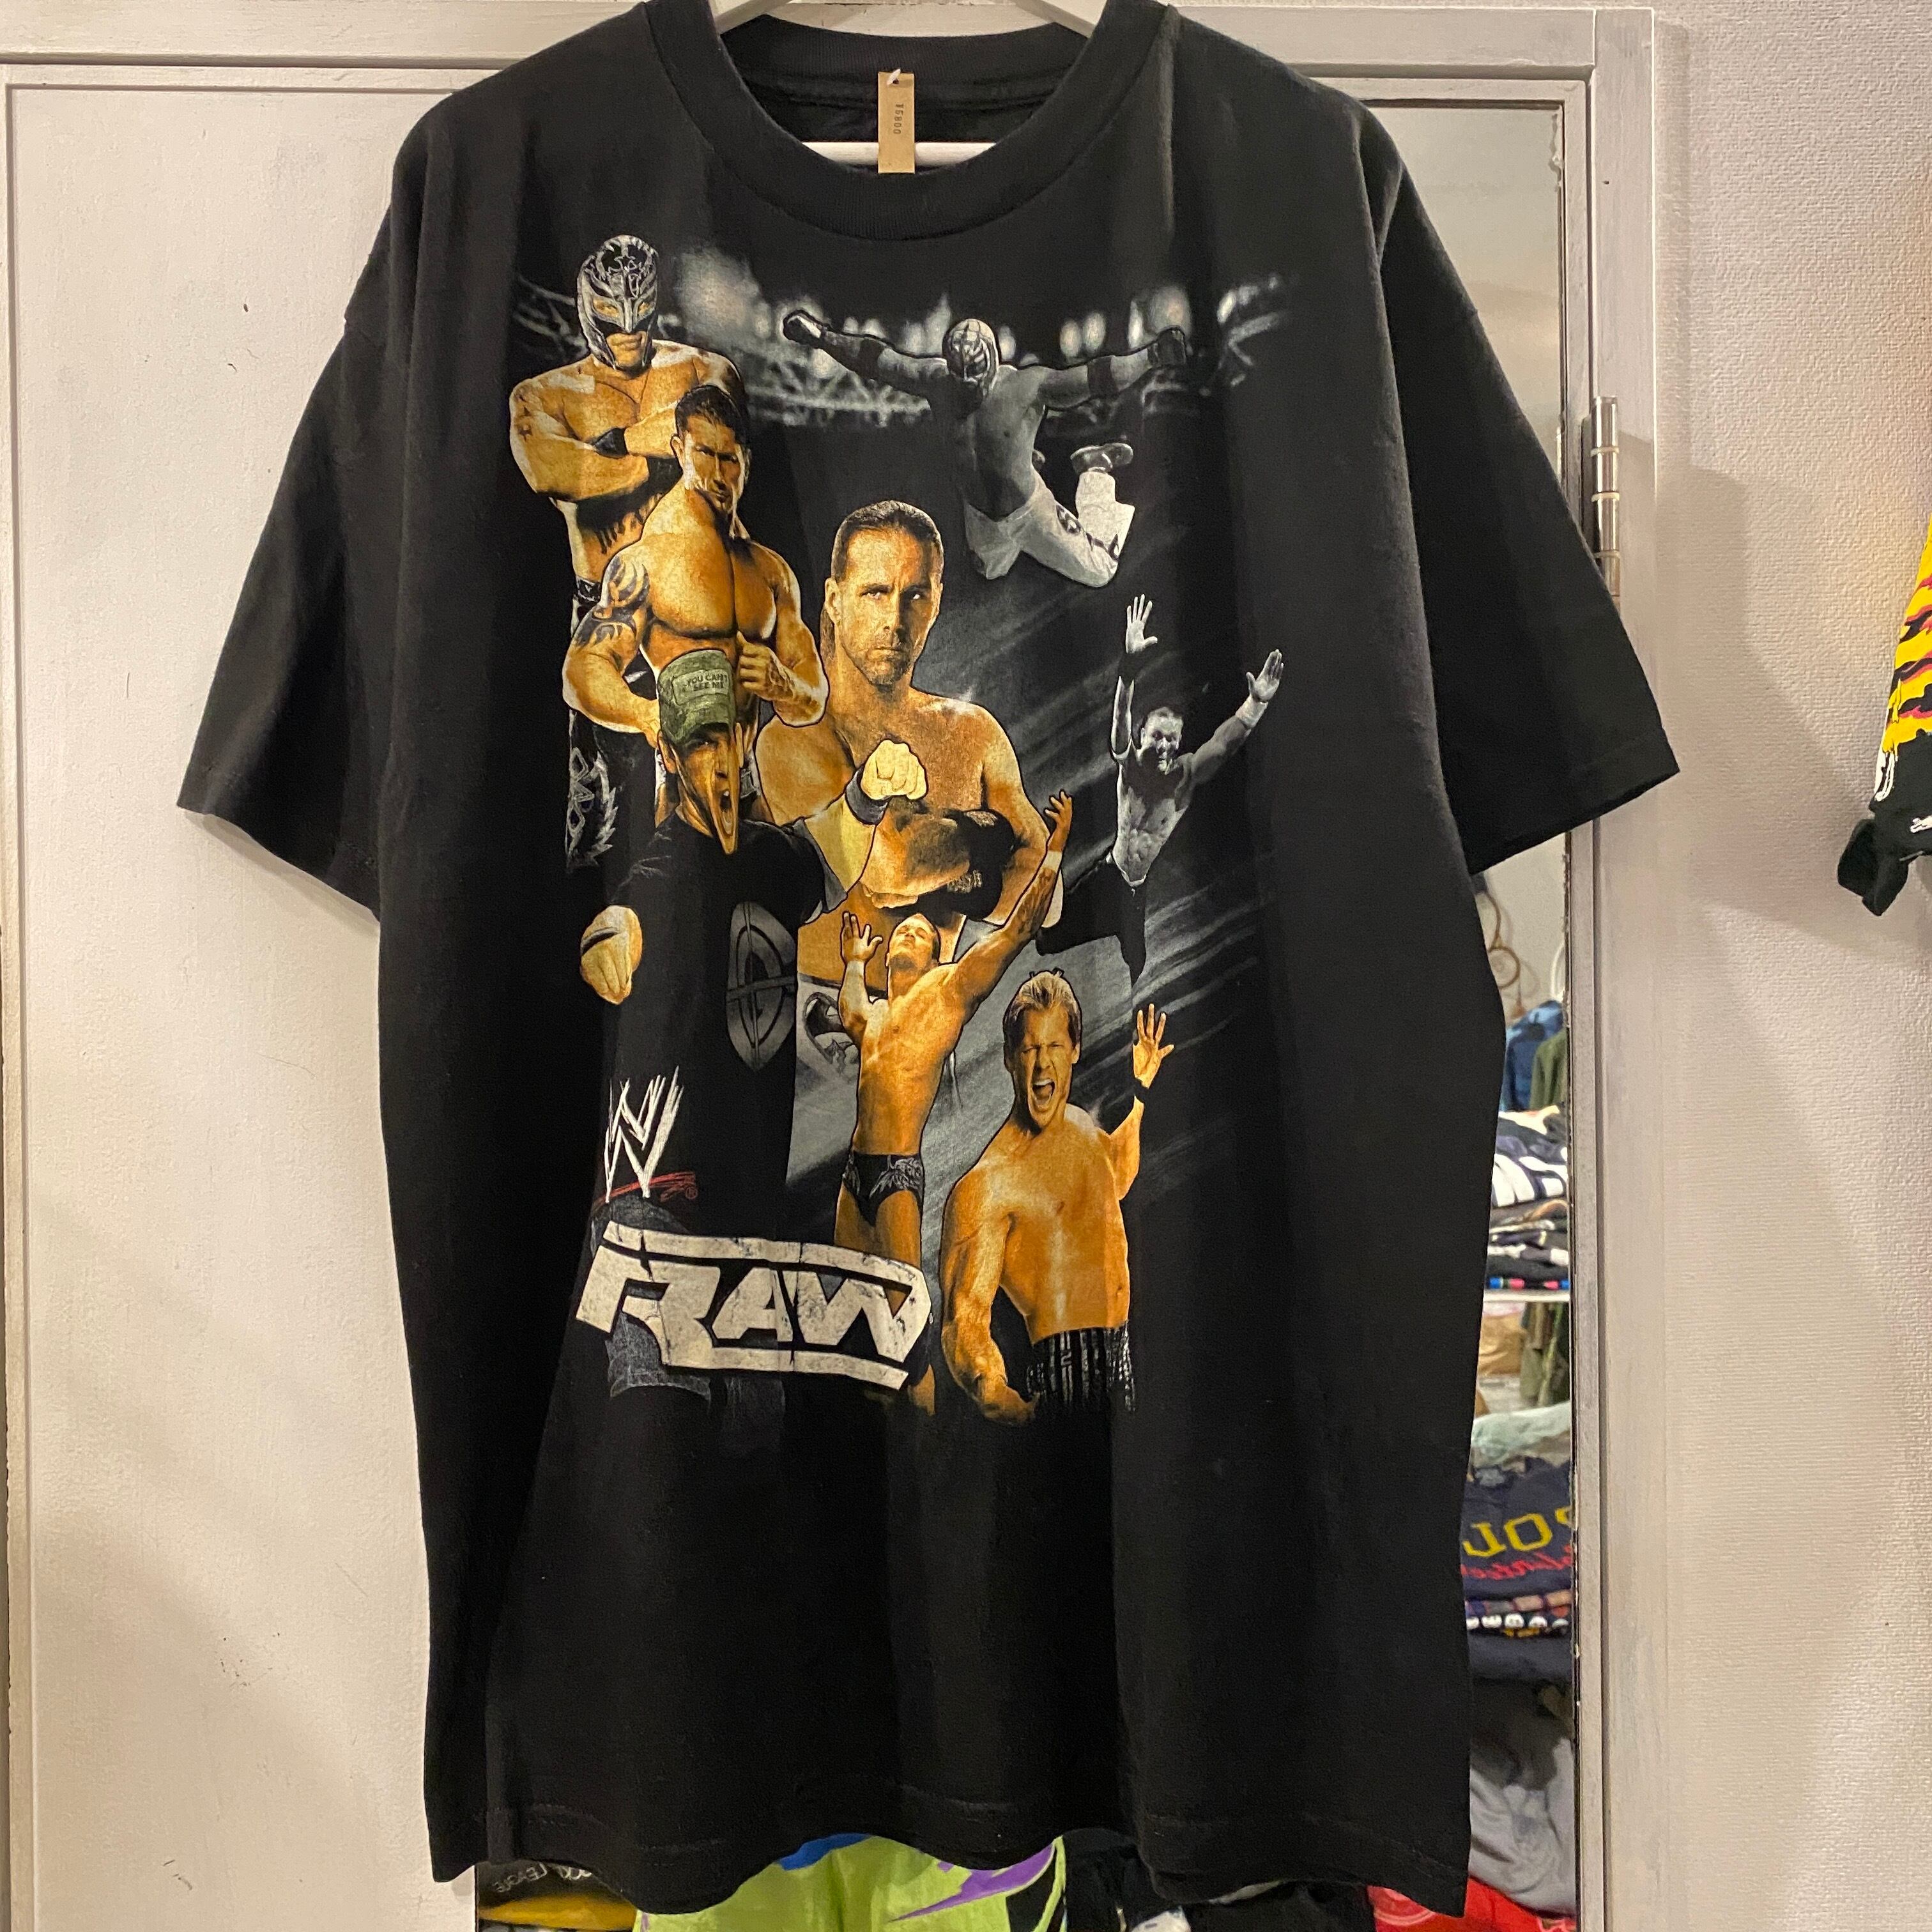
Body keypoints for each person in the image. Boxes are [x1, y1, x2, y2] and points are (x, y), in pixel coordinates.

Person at [576, 648, 923, 1238]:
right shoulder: (666, 871)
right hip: (673, 1203)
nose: (717, 762)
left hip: (755, 1198)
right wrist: (607, 942)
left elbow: (822, 856)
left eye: (724, 738)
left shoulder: (769, 856)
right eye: (698, 745)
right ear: (669, 756)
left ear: (742, 739)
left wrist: (868, 794)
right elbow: (627, 916)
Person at [510, 235, 748, 865]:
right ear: (590, 311)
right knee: (601, 826)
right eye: (615, 322)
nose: (630, 336)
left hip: (700, 612)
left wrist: (615, 443)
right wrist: (663, 452)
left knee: (721, 822)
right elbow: (556, 473)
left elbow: (722, 432)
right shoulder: (544, 396)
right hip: (611, 611)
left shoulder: (703, 370)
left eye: (640, 319)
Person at [758, 500, 1050, 996]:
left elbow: (1048, 888)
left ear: (936, 603)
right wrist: (991, 837)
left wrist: (950, 865)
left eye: (914, 594)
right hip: (824, 1017)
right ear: (835, 601)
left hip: (930, 1022)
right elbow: (890, 867)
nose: (895, 619)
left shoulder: (972, 732)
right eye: (875, 593)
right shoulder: (791, 738)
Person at [564, 383, 826, 856]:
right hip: (683, 788)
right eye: (705, 454)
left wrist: (785, 685)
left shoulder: (770, 571)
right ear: (679, 450)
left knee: (775, 894)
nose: (718, 474)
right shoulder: (648, 561)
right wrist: (647, 714)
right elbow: (581, 669)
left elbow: (812, 700)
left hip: (748, 785)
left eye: (730, 459)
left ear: (747, 462)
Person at [832, 791, 1074, 1269]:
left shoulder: (948, 992)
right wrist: (855, 964)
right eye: (903, 930)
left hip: (895, 1176)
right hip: (854, 1172)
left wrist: (1055, 851)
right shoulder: (876, 1017)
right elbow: (850, 1012)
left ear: (933, 958)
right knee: (841, 1289)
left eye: (921, 933)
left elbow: (1018, 931)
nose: (909, 931)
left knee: (902, 1296)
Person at [781, 311, 1188, 586]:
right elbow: (878, 361)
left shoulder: (1027, 387)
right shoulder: (937, 383)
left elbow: (1098, 378)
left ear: (993, 362)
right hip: (980, 513)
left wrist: (1152, 356)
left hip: (1029, 511)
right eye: (959, 375)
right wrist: (822, 337)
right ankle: (1026, 461)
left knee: (1101, 570)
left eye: (975, 375)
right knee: (989, 572)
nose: (967, 386)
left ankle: (1095, 469)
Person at [939, 979, 1172, 1422]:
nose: (1042, 1063)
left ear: (1075, 1051)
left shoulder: (1080, 1126)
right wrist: (998, 1394)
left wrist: (1140, 1095)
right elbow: (964, 1319)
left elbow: (1116, 1176)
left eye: (1054, 1047)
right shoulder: (987, 1186)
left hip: (1122, 1360)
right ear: (1010, 1058)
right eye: (1029, 1049)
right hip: (1064, 1381)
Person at [1038, 594, 1284, 981]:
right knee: (1046, 939)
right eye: (1157, 737)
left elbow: (1223, 744)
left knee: (1137, 967)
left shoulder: (1186, 776)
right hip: (1109, 877)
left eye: (1172, 739)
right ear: (1143, 736)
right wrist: (1129, 668)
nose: (1165, 746)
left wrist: (1255, 704)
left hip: (1136, 891)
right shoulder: (1131, 766)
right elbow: (1121, 719)